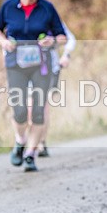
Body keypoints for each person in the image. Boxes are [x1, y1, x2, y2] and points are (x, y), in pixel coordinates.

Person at [0, 0, 68, 173]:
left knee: (39, 111)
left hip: (41, 65)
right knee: (20, 110)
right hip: (15, 64)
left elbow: (62, 36)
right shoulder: (8, 7)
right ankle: (20, 140)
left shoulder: (47, 8)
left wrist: (51, 40)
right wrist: (4, 42)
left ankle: (31, 154)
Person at [37, 20, 76, 157]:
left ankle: (41, 142)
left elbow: (69, 39)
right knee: (29, 107)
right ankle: (29, 140)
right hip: (25, 68)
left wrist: (66, 55)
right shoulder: (17, 17)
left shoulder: (49, 15)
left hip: (49, 68)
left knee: (43, 106)